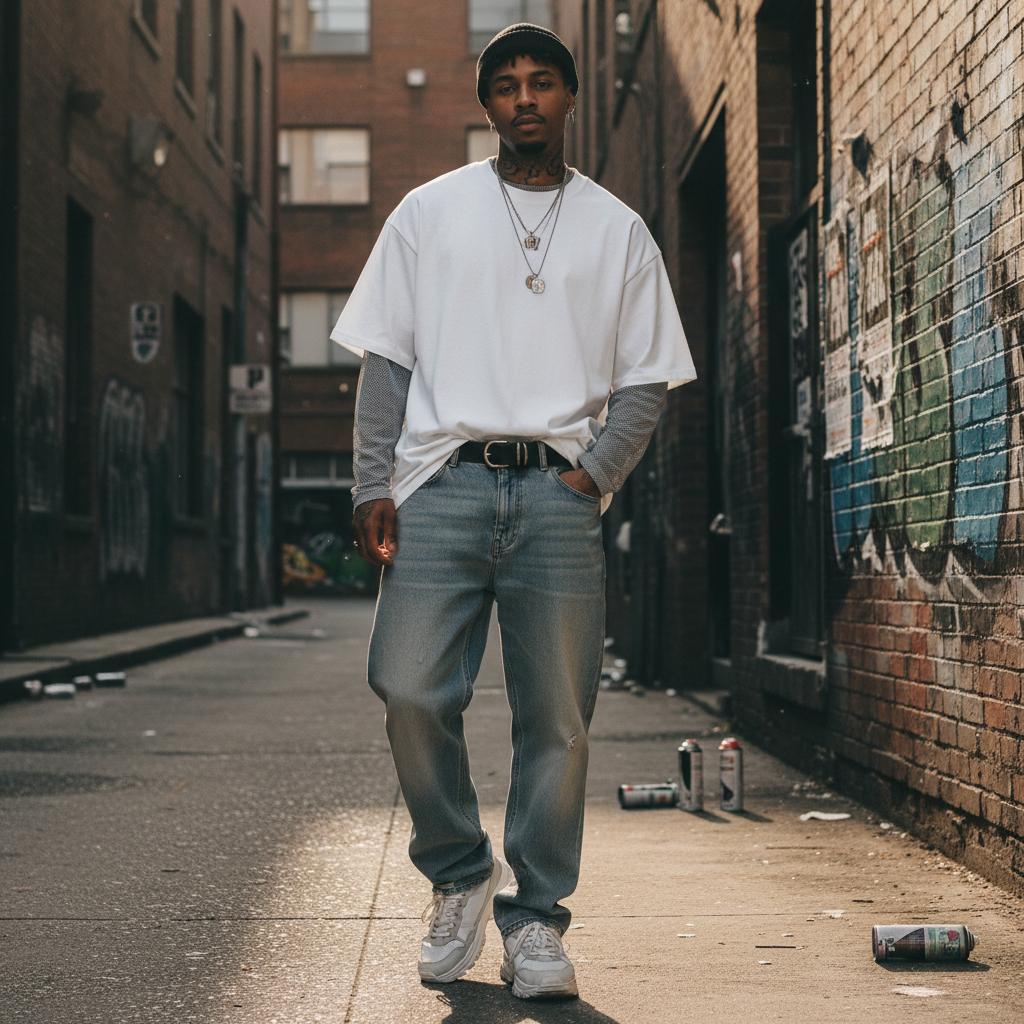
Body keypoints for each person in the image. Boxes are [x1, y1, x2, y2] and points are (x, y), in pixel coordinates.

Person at [331, 22, 695, 1001]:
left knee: (559, 720)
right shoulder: (430, 211)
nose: (524, 97)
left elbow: (646, 377)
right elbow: (386, 361)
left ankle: (535, 920)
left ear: (569, 96)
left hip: (555, 495)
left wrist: (595, 475)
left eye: (541, 81)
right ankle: (459, 871)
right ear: (486, 103)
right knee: (409, 685)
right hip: (440, 483)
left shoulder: (616, 228)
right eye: (505, 84)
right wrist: (373, 483)